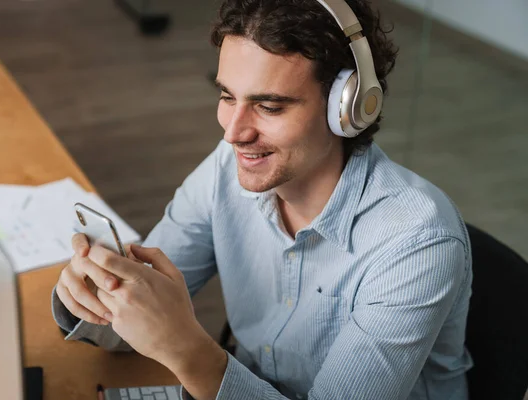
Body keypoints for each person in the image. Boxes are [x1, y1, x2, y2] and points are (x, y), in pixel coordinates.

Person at [52, 0, 473, 398]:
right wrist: (90, 298)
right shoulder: (227, 169)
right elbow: (136, 319)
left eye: (268, 106)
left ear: (348, 108)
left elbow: (177, 346)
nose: (233, 133)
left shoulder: (416, 242)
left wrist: (187, 352)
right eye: (227, 97)